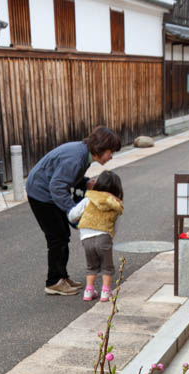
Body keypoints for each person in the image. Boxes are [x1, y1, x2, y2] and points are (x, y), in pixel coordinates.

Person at [26, 126, 121, 296]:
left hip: (48, 190)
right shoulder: (76, 158)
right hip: (41, 193)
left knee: (63, 235)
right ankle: (54, 282)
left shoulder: (84, 154)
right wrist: (73, 211)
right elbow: (57, 186)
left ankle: (62, 276)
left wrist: (85, 183)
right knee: (57, 237)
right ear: (100, 148)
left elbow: (67, 178)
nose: (111, 156)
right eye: (110, 151)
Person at [67, 171, 124, 302]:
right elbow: (115, 226)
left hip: (86, 239)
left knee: (91, 266)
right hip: (104, 237)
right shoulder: (115, 204)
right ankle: (105, 292)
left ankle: (88, 291)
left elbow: (72, 215)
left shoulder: (88, 199)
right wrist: (110, 237)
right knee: (107, 267)